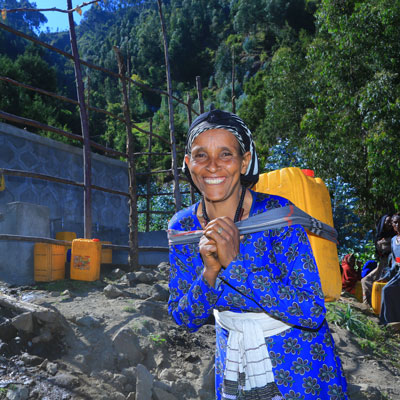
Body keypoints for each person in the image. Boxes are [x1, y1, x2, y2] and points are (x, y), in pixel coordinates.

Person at [167, 109, 348, 399]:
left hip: (299, 368)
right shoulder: (183, 227)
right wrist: (210, 273)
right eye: (201, 155)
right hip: (233, 367)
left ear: (244, 161)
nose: (213, 166)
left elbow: (311, 311)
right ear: (189, 163)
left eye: (226, 154)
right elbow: (184, 317)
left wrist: (235, 267)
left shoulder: (278, 216)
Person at [361, 215, 394, 305]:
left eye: (391, 221)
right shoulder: (379, 236)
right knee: (366, 281)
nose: (390, 224)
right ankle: (368, 305)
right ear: (383, 223)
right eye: (388, 221)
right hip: (382, 264)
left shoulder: (395, 237)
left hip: (391, 264)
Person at [380, 212, 400, 326]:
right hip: (397, 272)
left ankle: (390, 321)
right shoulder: (393, 240)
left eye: (399, 222)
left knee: (387, 290)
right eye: (395, 223)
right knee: (388, 290)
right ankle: (388, 321)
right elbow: (393, 260)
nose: (397, 225)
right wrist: (387, 276)